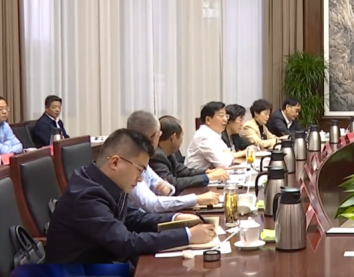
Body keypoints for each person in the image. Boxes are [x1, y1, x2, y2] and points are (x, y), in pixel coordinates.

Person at [46, 128, 216, 265]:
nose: (141, 179)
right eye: (139, 170)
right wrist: (187, 236)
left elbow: (134, 218)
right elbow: (125, 243)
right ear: (115, 162)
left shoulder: (105, 182)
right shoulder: (86, 196)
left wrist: (176, 218)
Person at [126, 111, 219, 212]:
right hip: (141, 218)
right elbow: (152, 204)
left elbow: (167, 185)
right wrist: (196, 199)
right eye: (159, 134)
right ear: (153, 137)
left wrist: (168, 189)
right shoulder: (132, 162)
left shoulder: (146, 159)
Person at [151, 116, 229, 194]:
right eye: (182, 135)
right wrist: (207, 177)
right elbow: (172, 183)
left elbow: (181, 171)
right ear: (173, 138)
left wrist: (206, 172)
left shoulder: (169, 152)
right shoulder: (156, 156)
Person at [186, 102, 240, 170]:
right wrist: (230, 155)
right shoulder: (203, 136)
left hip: (211, 174)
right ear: (208, 120)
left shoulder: (214, 134)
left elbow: (228, 152)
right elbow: (223, 164)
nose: (225, 119)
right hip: (198, 176)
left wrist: (228, 154)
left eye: (226, 116)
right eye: (221, 116)